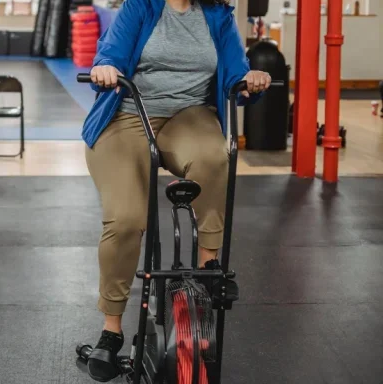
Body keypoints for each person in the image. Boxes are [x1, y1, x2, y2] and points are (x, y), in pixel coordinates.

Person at [81, 0, 271, 380]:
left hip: (190, 115)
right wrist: (105, 69)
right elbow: (112, 53)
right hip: (129, 114)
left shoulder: (217, 15)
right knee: (127, 219)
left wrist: (251, 82)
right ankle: (112, 330)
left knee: (215, 157)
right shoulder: (141, 7)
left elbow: (236, 73)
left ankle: (208, 269)